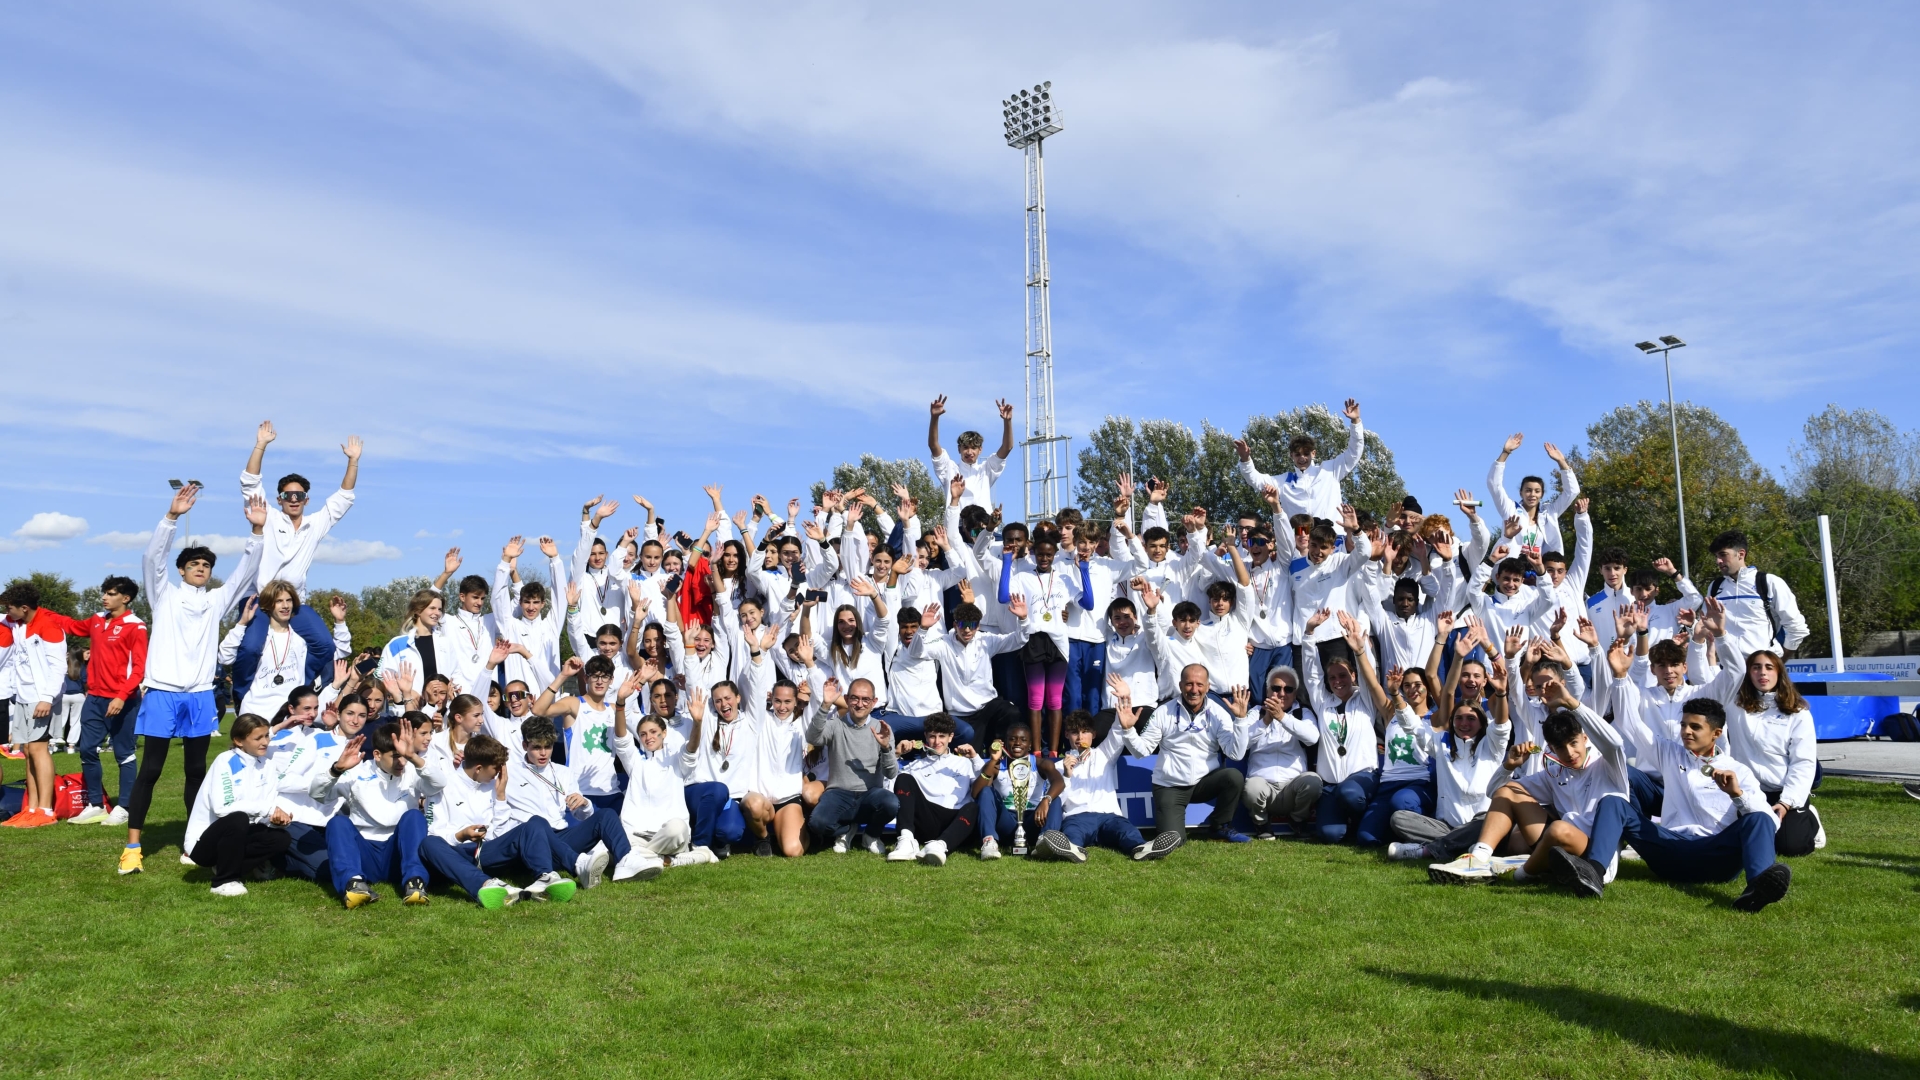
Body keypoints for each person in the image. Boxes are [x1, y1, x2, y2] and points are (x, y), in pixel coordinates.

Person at [118, 485, 266, 875]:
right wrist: (171, 517)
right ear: (182, 570)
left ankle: (194, 841)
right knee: (150, 771)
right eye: (194, 564)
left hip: (201, 696)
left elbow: (246, 572)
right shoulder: (164, 595)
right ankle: (133, 846)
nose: (201, 569)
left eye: (206, 565)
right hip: (164, 694)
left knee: (196, 773)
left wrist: (256, 533)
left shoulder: (216, 601)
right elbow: (152, 558)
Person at [1598, 639, 1793, 910]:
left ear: (1716, 733)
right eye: (1683, 725)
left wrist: (1738, 796)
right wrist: (1620, 676)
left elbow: (1769, 823)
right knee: (1613, 801)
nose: (1686, 732)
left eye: (1694, 727)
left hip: (1715, 856)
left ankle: (1757, 888)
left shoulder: (1738, 770)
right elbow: (1630, 725)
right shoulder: (1670, 753)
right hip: (1671, 850)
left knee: (1758, 817)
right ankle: (1592, 873)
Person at [1427, 660, 1629, 889]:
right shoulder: (1554, 772)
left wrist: (1572, 702)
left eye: (1574, 743)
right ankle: (1479, 859)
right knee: (1509, 793)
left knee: (1558, 829)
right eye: (1561, 748)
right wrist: (1509, 767)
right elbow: (1495, 793)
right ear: (1551, 749)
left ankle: (1521, 875)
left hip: (1593, 856)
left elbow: (1614, 743)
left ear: (1584, 739)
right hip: (1557, 844)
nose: (1570, 753)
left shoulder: (1609, 763)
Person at [236, 421, 360, 685]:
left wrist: (353, 462)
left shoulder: (314, 525)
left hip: (295, 604)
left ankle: (297, 689)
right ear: (279, 499)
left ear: (306, 499)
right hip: (260, 601)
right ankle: (243, 695)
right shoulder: (267, 516)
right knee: (248, 650)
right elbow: (249, 483)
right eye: (288, 495)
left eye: (299, 495)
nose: (294, 499)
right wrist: (261, 445)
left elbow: (344, 498)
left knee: (326, 646)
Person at [419, 732, 568, 908]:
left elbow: (499, 832)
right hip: (458, 853)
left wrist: (501, 795)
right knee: (429, 844)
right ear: (478, 768)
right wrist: (461, 835)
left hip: (487, 851)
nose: (499, 773)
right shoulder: (444, 785)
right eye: (496, 768)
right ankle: (486, 885)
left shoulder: (493, 785)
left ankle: (545, 878)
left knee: (535, 823)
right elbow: (434, 832)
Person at [1122, 663, 1254, 853]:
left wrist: (1240, 721)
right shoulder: (1163, 712)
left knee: (1233, 776)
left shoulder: (1218, 714)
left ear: (1208, 686)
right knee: (1173, 841)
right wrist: (1128, 730)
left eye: (1199, 684)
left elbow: (1236, 754)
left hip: (1204, 782)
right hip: (1170, 785)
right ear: (1180, 685)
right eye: (1189, 684)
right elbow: (1140, 751)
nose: (1194, 690)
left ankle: (1220, 827)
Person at [308, 720, 440, 907]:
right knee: (337, 823)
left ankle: (415, 882)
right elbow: (317, 794)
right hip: (364, 855)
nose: (401, 762)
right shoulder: (356, 771)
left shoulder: (412, 769)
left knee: (414, 816)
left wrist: (413, 757)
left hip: (398, 854)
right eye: (396, 756)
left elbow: (439, 783)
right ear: (377, 754)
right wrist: (336, 769)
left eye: (404, 755)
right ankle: (354, 883)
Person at [51, 575, 148, 825]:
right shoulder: (96, 620)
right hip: (93, 698)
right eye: (104, 592)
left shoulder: (136, 626)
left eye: (111, 593)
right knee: (86, 749)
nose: (105, 597)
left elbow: (139, 668)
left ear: (125, 598)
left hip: (122, 700)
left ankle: (124, 806)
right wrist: (41, 613)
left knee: (124, 753)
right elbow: (72, 626)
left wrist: (121, 696)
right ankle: (95, 804)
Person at [499, 714, 636, 889]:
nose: (543, 753)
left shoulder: (563, 772)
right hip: (531, 841)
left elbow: (581, 815)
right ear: (525, 745)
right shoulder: (508, 772)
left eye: (548, 747)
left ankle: (626, 860)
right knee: (537, 823)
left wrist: (584, 804)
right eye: (537, 747)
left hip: (562, 836)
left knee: (607, 815)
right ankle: (571, 867)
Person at [1030, 698, 1157, 862]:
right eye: (1075, 732)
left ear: (1094, 734)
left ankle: (1140, 848)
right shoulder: (1060, 766)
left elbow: (1117, 732)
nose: (1080, 737)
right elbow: (1057, 802)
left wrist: (1124, 709)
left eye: (1085, 731)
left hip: (1109, 817)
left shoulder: (1104, 754)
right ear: (1067, 734)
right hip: (1077, 818)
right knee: (1072, 835)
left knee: (1127, 830)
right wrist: (1067, 775)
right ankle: (1073, 850)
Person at [181, 713, 292, 896]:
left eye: (266, 736)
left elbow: (267, 806)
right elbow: (222, 808)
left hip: (239, 834)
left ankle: (230, 866)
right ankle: (223, 882)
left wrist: (276, 819)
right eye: (258, 738)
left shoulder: (268, 765)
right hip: (202, 844)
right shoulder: (225, 760)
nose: (265, 742)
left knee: (281, 838)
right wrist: (268, 809)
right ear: (239, 741)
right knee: (238, 818)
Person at [0, 581, 70, 826]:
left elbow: (58, 666)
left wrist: (47, 698)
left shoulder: (49, 627)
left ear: (25, 607)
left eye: (10, 608)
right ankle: (31, 809)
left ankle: (46, 810)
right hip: (22, 696)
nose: (7, 613)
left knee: (39, 749)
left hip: (41, 698)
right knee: (27, 750)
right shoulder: (17, 623)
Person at [608, 668, 690, 872]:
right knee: (612, 839)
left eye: (653, 732)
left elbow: (692, 749)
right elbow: (622, 740)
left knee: (677, 828)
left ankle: (638, 857)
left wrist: (696, 723)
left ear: (664, 733)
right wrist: (620, 701)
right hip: (636, 834)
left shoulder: (676, 758)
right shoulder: (636, 762)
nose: (648, 737)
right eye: (643, 734)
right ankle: (668, 859)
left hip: (666, 834)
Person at [805, 677, 901, 854]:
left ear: (874, 702)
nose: (859, 704)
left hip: (870, 795)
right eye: (855, 698)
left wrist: (886, 748)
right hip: (839, 792)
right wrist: (826, 705)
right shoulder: (836, 725)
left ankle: (871, 835)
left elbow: (891, 773)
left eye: (865, 700)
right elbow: (812, 738)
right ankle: (847, 829)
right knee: (817, 823)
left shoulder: (882, 728)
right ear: (847, 699)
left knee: (891, 803)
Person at [1233, 398, 1366, 523]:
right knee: (1301, 541)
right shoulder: (1283, 481)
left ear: (1313, 453)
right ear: (1291, 455)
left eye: (1306, 453)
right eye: (1297, 454)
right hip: (1301, 538)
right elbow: (1255, 480)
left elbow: (1354, 452)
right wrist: (1245, 459)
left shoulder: (1329, 470)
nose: (1302, 458)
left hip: (1331, 539)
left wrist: (1356, 422)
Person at [531, 655, 625, 813]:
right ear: (586, 678)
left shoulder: (615, 709)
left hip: (610, 792)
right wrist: (563, 675)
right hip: (577, 792)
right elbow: (538, 710)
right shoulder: (574, 704)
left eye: (604, 676)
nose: (600, 681)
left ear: (611, 680)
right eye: (595, 676)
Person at [887, 712, 983, 866]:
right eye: (932, 736)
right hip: (926, 818)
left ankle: (940, 846)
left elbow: (986, 784)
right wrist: (896, 755)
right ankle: (906, 841)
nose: (937, 742)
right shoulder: (915, 766)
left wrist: (975, 757)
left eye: (942, 736)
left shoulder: (965, 763)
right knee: (904, 778)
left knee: (973, 807)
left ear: (950, 737)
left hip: (955, 820)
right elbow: (890, 788)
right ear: (925, 736)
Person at [1241, 665, 1324, 838]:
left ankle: (1298, 820)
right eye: (1276, 688)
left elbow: (1312, 737)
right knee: (1252, 787)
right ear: (1267, 690)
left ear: (1295, 693)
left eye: (1288, 689)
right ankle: (1261, 824)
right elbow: (1241, 745)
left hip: (1293, 788)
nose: (1282, 693)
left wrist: (1282, 717)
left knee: (1313, 781)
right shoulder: (1255, 713)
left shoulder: (1303, 712)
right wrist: (1265, 721)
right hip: (1263, 787)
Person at [1705, 530, 1809, 657]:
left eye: (1723, 555)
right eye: (1716, 556)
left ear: (1741, 554)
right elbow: (1705, 627)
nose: (1718, 561)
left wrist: (1778, 664)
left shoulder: (1770, 582)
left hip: (1762, 669)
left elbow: (1797, 628)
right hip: (1727, 669)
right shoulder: (1715, 586)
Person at [973, 721, 1064, 858]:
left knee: (1055, 798)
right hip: (1007, 823)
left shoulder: (1041, 764)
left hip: (1034, 819)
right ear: (1005, 742)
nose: (1017, 743)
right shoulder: (997, 766)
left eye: (1023, 740)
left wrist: (1046, 799)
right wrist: (992, 760)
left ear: (1030, 745)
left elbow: (1059, 782)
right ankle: (989, 842)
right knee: (986, 791)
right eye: (1012, 739)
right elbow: (976, 793)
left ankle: (1045, 842)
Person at [492, 535, 569, 691]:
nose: (531, 607)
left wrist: (555, 559)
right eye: (527, 602)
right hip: (519, 703)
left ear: (543, 604)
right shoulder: (511, 626)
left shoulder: (551, 626)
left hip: (548, 702)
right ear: (520, 603)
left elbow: (561, 597)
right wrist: (505, 562)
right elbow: (498, 599)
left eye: (535, 602)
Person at [1486, 432, 1579, 555]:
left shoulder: (1550, 511)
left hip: (1540, 570)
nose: (1532, 494)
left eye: (1537, 491)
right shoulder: (1509, 509)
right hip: (1513, 569)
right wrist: (1505, 453)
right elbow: (1494, 485)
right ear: (1521, 493)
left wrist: (1561, 461)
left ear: (1542, 494)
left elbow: (1572, 491)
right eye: (1528, 490)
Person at [927, 394, 1013, 512]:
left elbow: (1007, 447)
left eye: (974, 448)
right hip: (957, 526)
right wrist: (934, 418)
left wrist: (1007, 422)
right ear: (959, 449)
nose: (969, 452)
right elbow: (933, 445)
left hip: (983, 527)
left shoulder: (986, 469)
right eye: (965, 447)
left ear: (980, 450)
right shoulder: (949, 469)